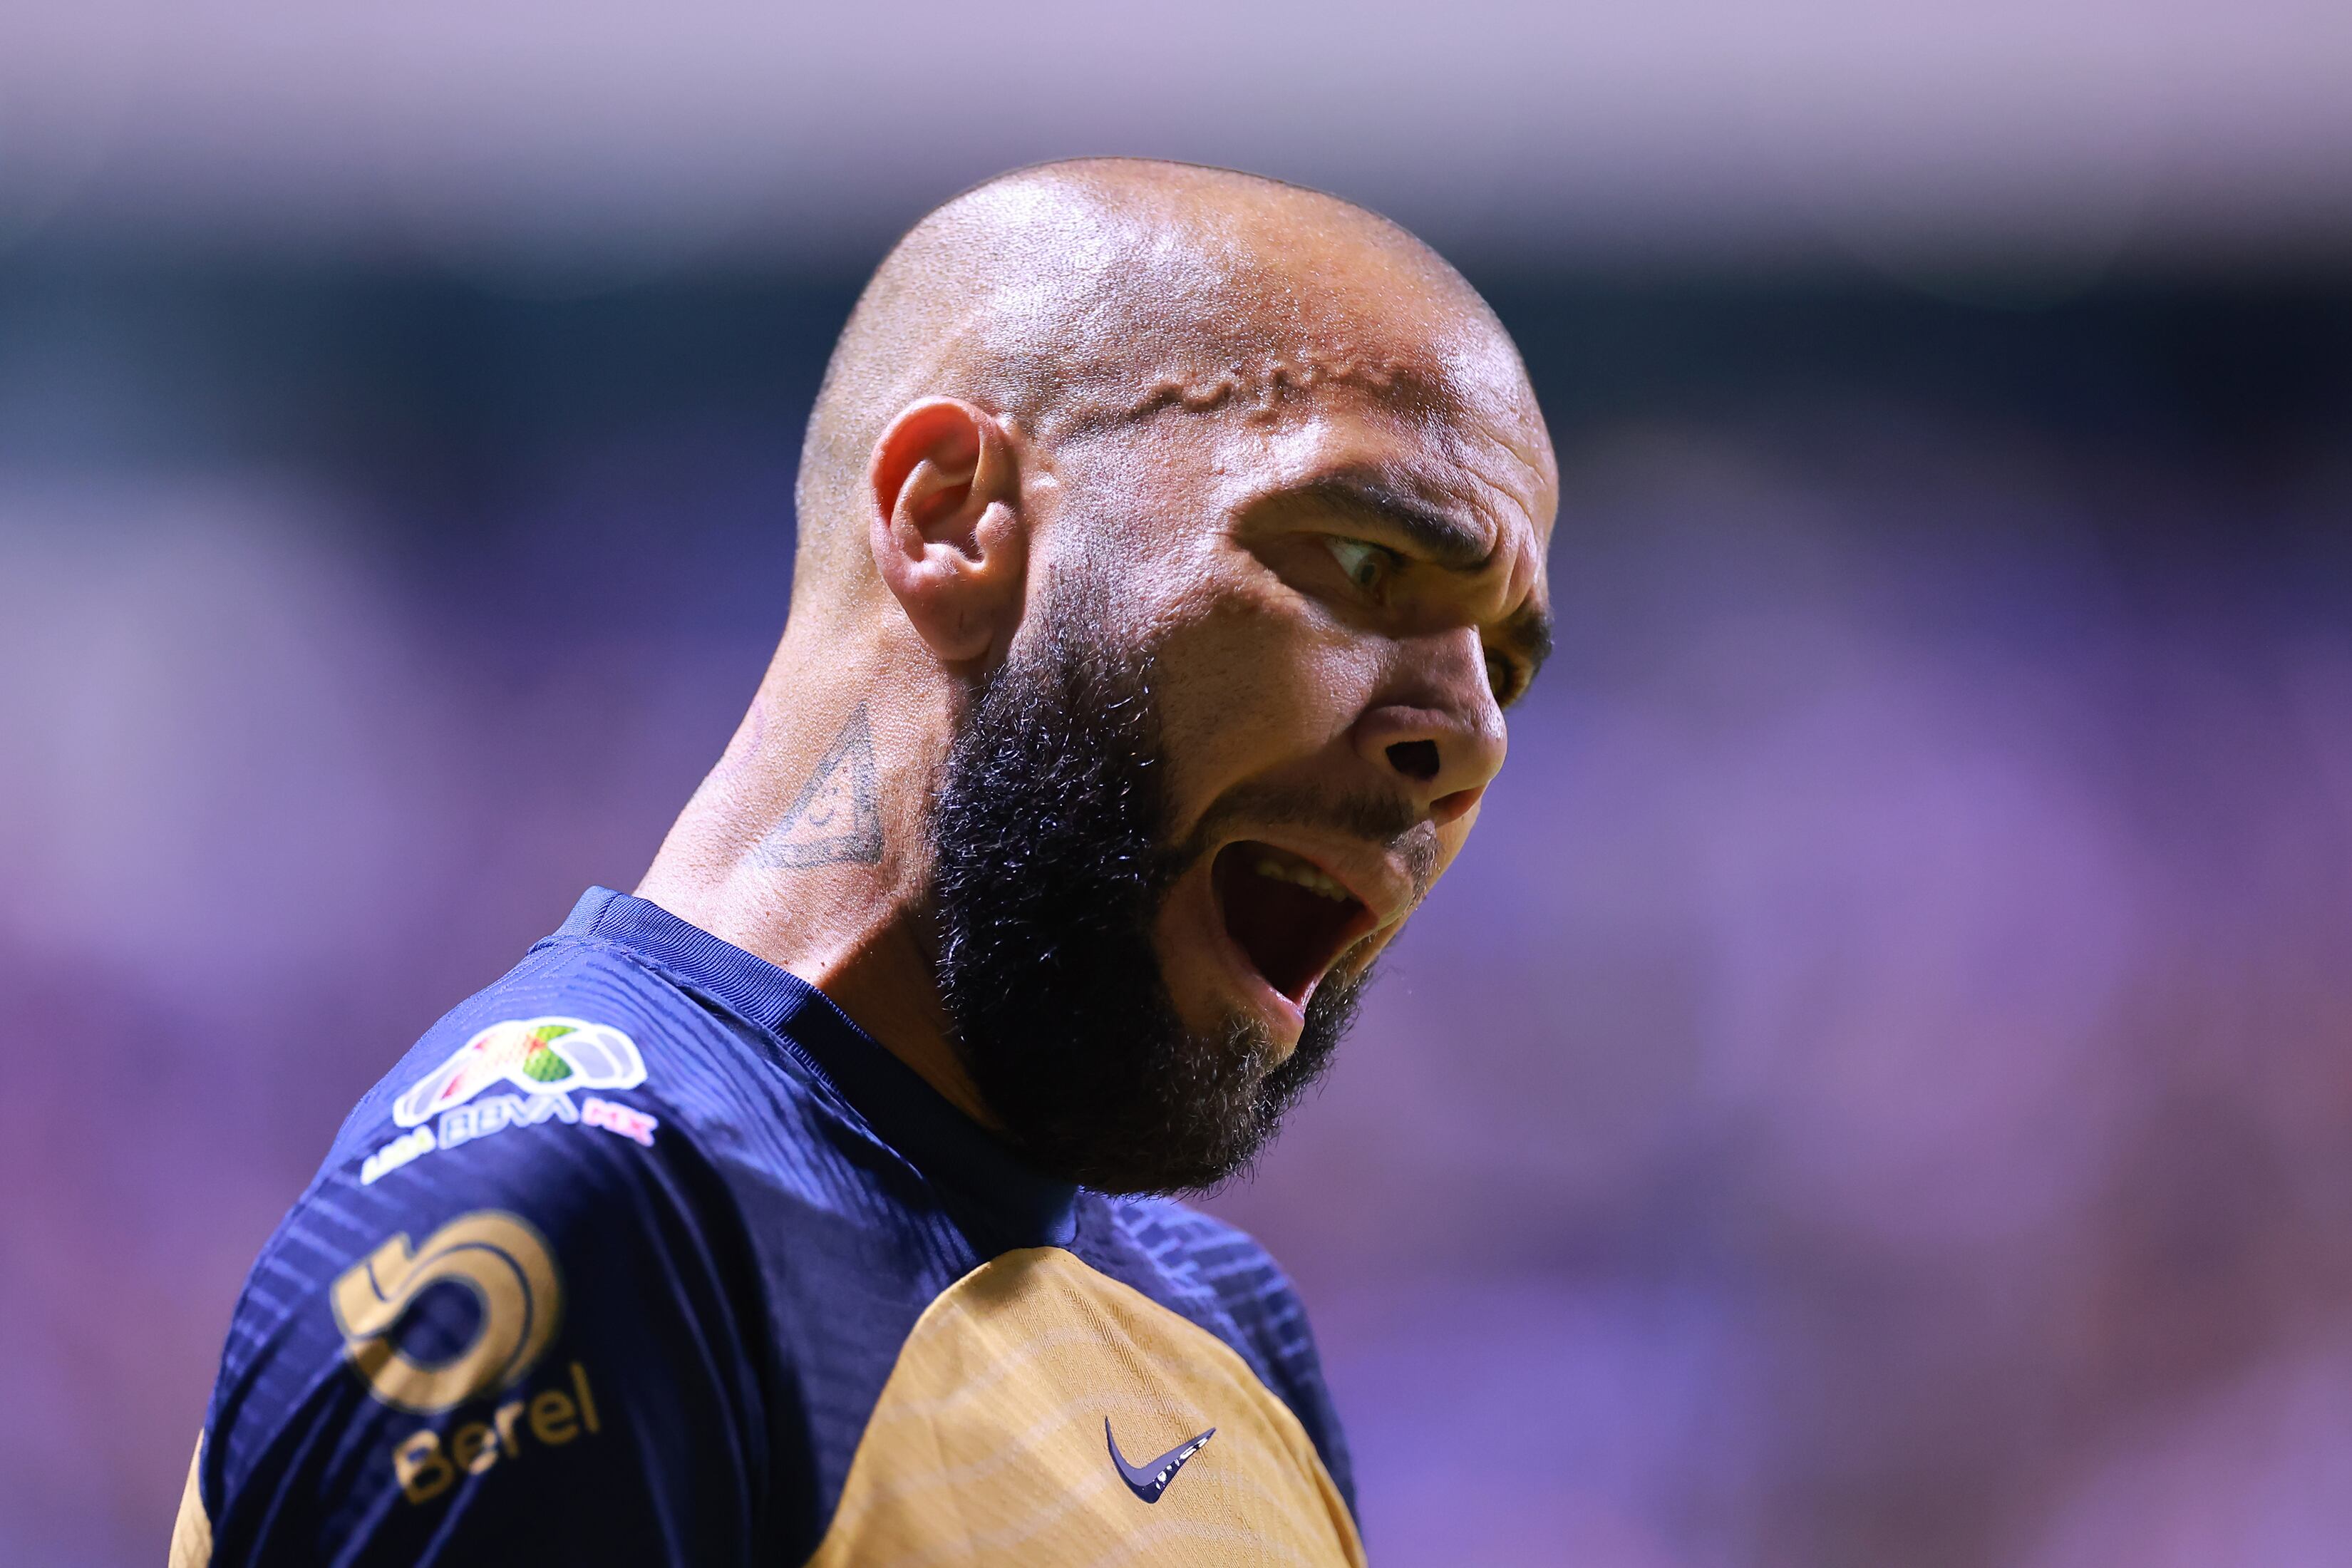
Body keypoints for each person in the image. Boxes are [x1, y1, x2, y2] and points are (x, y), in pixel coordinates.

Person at [170, 157, 1557, 1567]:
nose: (1472, 735)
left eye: (1504, 662)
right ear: (950, 516)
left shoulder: (1226, 1335)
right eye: (1365, 561)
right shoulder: (594, 1227)